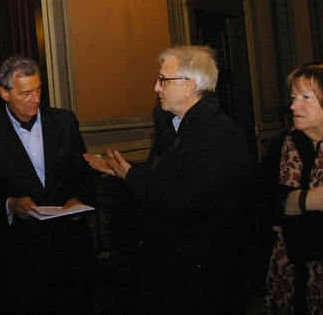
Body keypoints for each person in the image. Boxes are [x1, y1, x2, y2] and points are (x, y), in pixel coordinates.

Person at [84, 45, 251, 314]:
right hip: (169, 269)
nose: (156, 87)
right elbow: (162, 182)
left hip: (197, 277)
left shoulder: (219, 135)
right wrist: (121, 174)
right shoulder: (174, 125)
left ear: (188, 86)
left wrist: (131, 174)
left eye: (163, 79)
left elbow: (185, 203)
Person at [0, 56, 96, 315]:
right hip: (22, 258)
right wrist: (11, 205)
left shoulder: (63, 122)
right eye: (26, 93)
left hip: (71, 250)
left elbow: (85, 175)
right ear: (4, 93)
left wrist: (79, 200)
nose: (36, 99)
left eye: (39, 89)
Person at [264, 62, 323, 313]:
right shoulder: (285, 144)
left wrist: (288, 210)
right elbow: (258, 198)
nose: (293, 105)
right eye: (293, 97)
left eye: (305, 97)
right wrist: (306, 201)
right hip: (292, 276)